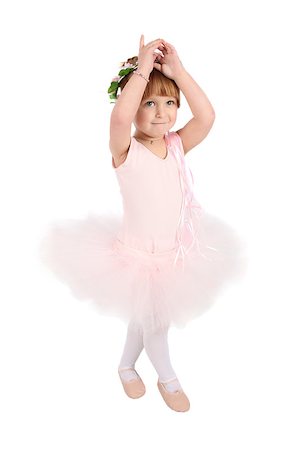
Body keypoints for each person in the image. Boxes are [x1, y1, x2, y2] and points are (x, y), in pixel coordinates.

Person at [39, 35, 247, 413]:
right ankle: (168, 377)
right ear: (134, 107)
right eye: (149, 103)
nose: (161, 112)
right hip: (136, 257)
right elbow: (119, 117)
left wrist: (178, 72)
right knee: (156, 323)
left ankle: (124, 366)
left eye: (169, 103)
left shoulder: (178, 144)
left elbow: (208, 117)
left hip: (173, 254)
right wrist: (141, 73)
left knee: (144, 315)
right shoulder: (125, 150)